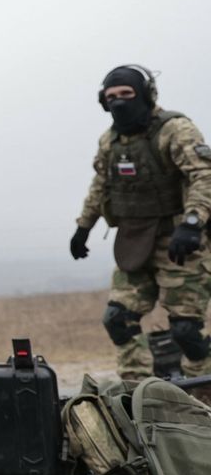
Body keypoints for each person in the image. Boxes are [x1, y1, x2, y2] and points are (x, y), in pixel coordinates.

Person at [70, 64, 211, 380]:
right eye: (111, 97)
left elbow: (204, 175)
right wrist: (83, 227)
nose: (119, 102)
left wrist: (192, 222)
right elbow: (101, 186)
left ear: (146, 94)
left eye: (126, 93)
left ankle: (202, 388)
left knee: (187, 330)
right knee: (118, 319)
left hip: (180, 244)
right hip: (135, 240)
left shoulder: (175, 130)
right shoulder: (110, 142)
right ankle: (136, 389)